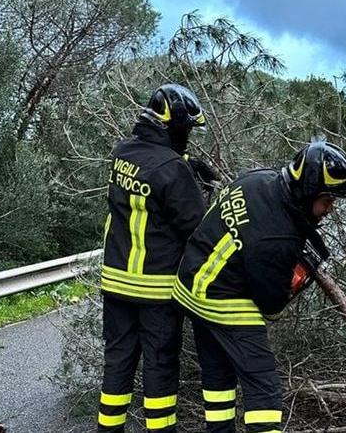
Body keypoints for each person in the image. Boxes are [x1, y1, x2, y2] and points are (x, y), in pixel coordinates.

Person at [173, 141, 346, 432]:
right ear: (309, 192)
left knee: (218, 380)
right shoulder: (277, 240)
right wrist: (298, 274)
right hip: (221, 299)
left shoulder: (258, 178)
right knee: (264, 389)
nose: (330, 209)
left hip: (189, 284)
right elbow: (271, 303)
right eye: (328, 200)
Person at [97, 84, 208, 432]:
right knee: (159, 368)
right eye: (185, 129)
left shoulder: (121, 153)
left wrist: (186, 166)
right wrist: (195, 182)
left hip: (115, 283)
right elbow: (196, 225)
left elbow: (148, 172)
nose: (187, 136)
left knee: (117, 363)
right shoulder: (173, 169)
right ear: (171, 126)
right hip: (156, 289)